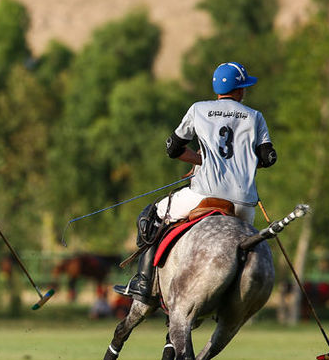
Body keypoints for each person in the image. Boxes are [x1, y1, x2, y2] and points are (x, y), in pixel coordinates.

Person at [117, 62, 277, 301]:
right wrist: (240, 164)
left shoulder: (199, 109)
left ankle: (144, 281)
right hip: (245, 205)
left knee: (153, 214)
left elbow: (173, 148)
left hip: (203, 194)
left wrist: (201, 160)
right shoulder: (256, 117)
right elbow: (269, 157)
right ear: (241, 90)